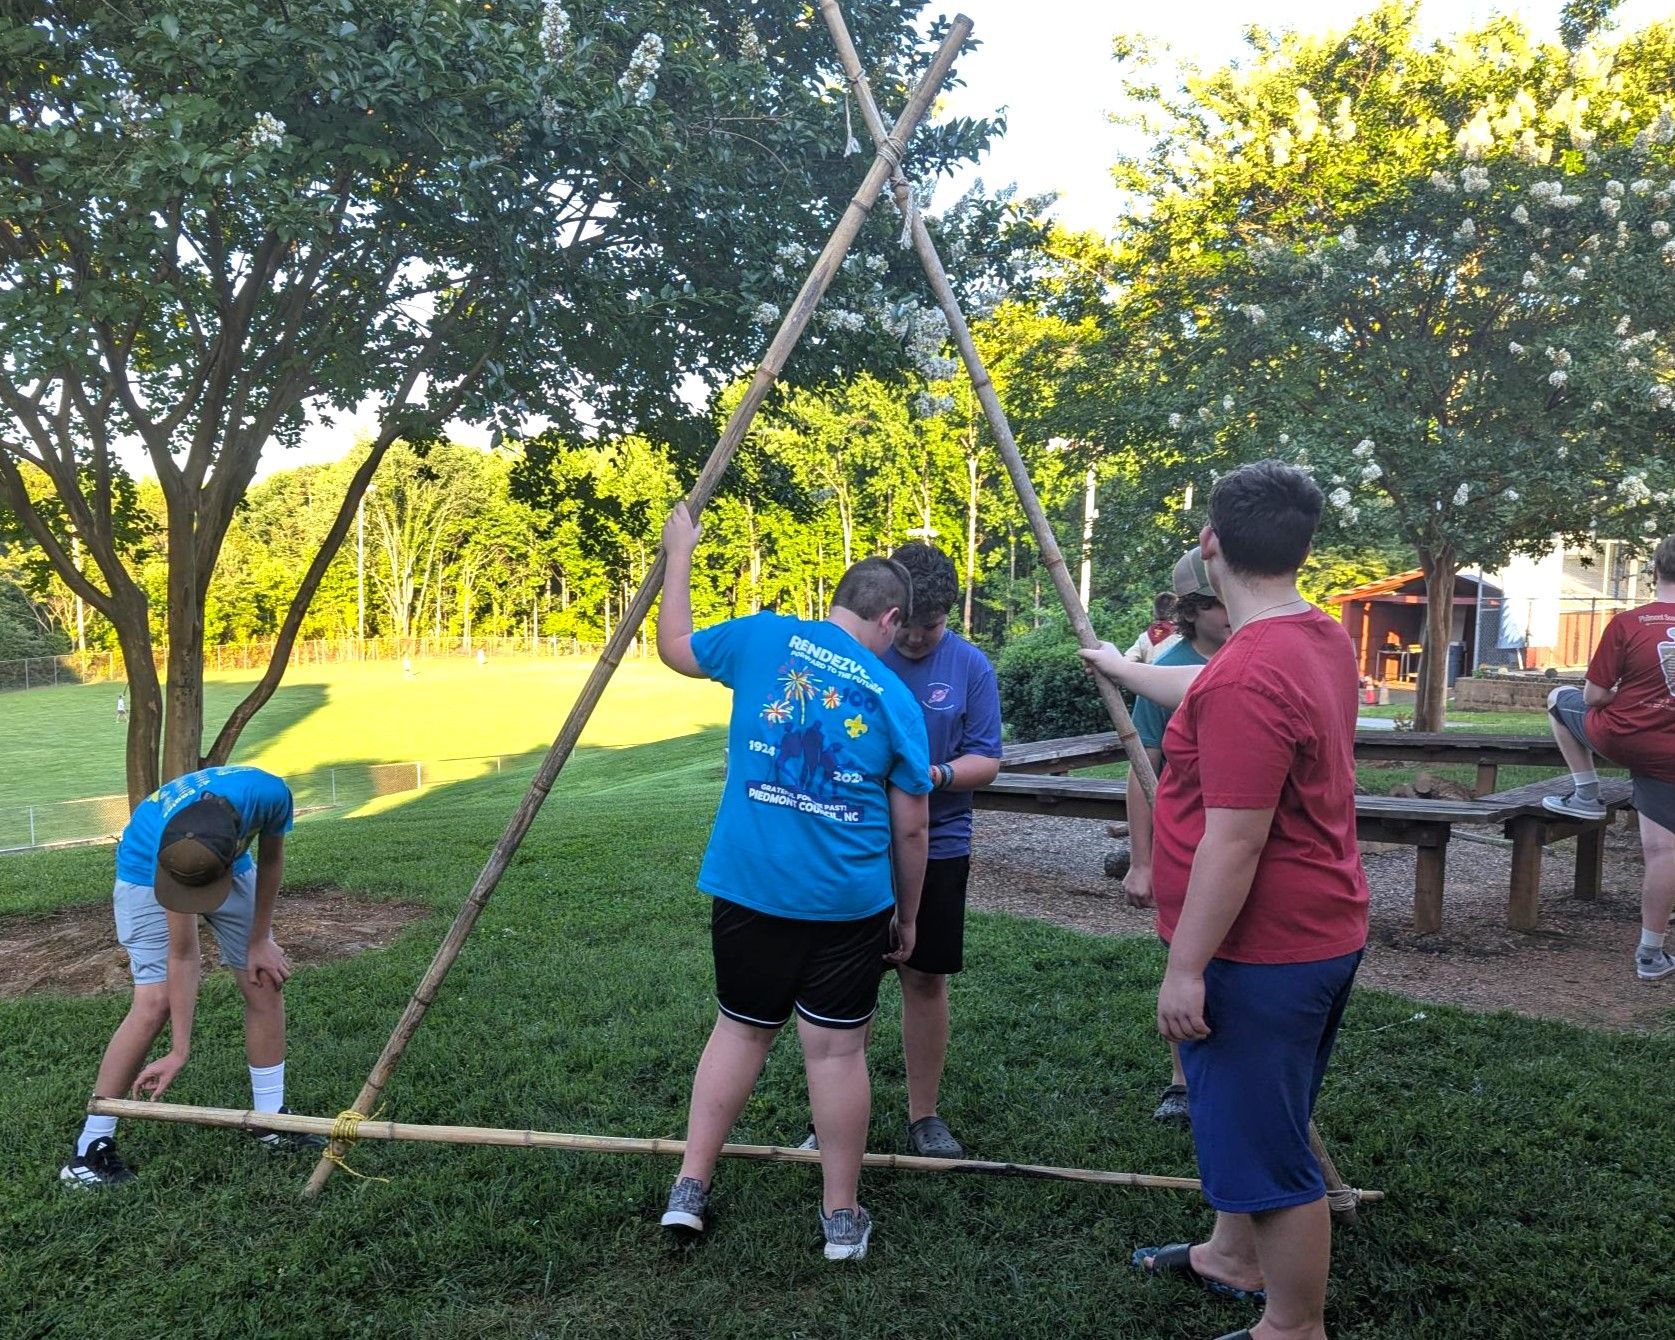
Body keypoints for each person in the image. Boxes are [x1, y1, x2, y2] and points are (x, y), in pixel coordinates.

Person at [1082, 460, 1367, 1340]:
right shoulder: (1312, 636)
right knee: (1256, 1120)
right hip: (1318, 930)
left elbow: (1233, 841)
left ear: (1209, 548)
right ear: (1302, 547)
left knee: (1270, 1151)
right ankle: (1230, 1256)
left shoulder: (1248, 672)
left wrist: (1184, 968)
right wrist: (1120, 671)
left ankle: (1291, 1326)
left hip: (1262, 950)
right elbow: (1205, 690)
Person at [654, 503, 931, 1262]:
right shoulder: (893, 696)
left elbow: (674, 647)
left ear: (838, 599)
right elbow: (911, 827)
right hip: (846, 901)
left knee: (740, 1029)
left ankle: (690, 1187)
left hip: (750, 887)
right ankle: (840, 1218)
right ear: (889, 617)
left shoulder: (761, 636)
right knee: (836, 1054)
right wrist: (907, 916)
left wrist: (680, 550)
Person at [61, 765, 322, 1188]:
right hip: (150, 870)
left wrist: (259, 941)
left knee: (263, 976)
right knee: (155, 1002)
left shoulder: (270, 794)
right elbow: (183, 955)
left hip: (227, 864)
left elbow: (273, 860)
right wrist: (179, 1049)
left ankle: (270, 1120)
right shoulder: (172, 855)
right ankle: (89, 1150)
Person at [878, 542, 1002, 1156]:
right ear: (889, 611)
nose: (919, 638)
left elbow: (987, 760)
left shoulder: (970, 666)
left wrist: (939, 776)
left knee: (924, 980)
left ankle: (923, 1115)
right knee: (844, 981)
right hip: (857, 842)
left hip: (941, 845)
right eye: (908, 624)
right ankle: (832, 1106)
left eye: (932, 625)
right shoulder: (859, 658)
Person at [1125, 545, 1233, 1124]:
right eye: (1215, 603)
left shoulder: (1256, 652)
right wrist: (1142, 861)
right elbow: (1142, 772)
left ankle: (1234, 1068)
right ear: (1191, 609)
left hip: (1241, 836)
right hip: (1186, 843)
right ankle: (1181, 1080)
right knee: (1183, 960)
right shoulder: (1164, 670)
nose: (1228, 612)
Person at [1541, 534, 1675, 981]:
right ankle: (1650, 954)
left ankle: (1586, 793)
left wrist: (1626, 695)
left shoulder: (1629, 622)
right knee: (1663, 852)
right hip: (1670, 756)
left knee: (1560, 697)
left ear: (1654, 571)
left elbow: (1594, 696)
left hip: (1623, 737)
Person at [1124, 591, 1179, 663]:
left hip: (1149, 673)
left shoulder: (1144, 637)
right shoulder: (1183, 636)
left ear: (1155, 611)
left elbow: (1127, 660)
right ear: (1177, 612)